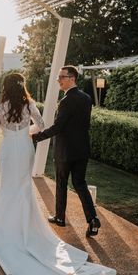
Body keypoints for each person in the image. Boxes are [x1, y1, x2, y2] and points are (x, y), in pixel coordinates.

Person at [0, 72, 115, 275]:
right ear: (22, 86)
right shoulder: (29, 104)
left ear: (5, 86)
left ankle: (6, 226)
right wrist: (26, 132)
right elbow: (41, 125)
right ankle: (27, 226)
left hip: (7, 149)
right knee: (24, 186)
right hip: (25, 148)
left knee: (8, 185)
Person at [32, 65, 101, 238]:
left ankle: (60, 218)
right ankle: (92, 219)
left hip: (65, 151)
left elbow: (58, 127)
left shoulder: (65, 101)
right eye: (58, 77)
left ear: (72, 78)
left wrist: (36, 137)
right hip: (82, 149)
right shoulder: (86, 98)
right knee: (80, 184)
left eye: (61, 77)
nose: (58, 80)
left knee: (62, 183)